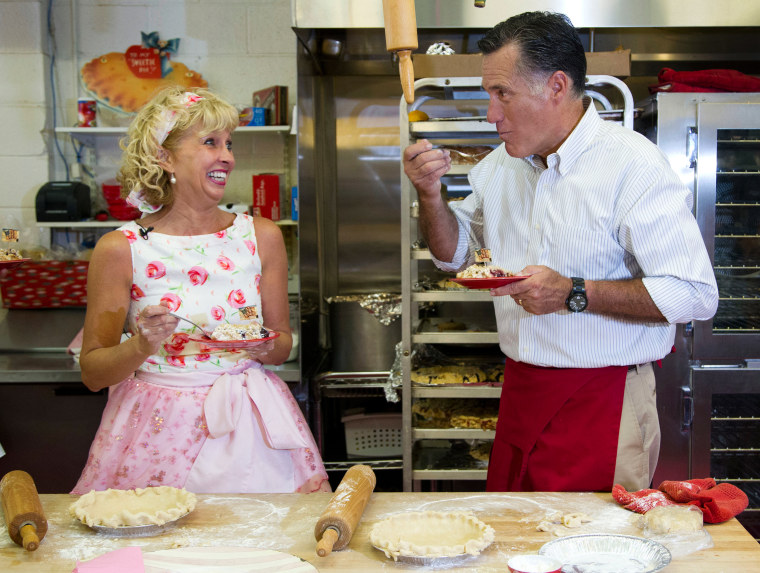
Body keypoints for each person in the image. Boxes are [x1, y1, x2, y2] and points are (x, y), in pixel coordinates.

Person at [403, 12, 718, 493]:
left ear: (556, 85)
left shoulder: (632, 164)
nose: (491, 114)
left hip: (605, 399)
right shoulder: (498, 168)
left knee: (594, 555)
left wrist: (573, 293)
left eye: (501, 94)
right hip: (522, 394)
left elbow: (695, 295)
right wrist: (430, 195)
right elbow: (456, 255)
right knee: (517, 547)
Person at [71, 86, 330, 494]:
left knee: (262, 549)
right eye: (210, 142)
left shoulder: (261, 235)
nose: (227, 156)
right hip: (156, 429)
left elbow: (282, 346)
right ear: (164, 156)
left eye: (229, 143)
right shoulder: (121, 248)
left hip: (250, 425)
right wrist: (142, 344)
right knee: (159, 548)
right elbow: (93, 372)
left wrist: (264, 346)